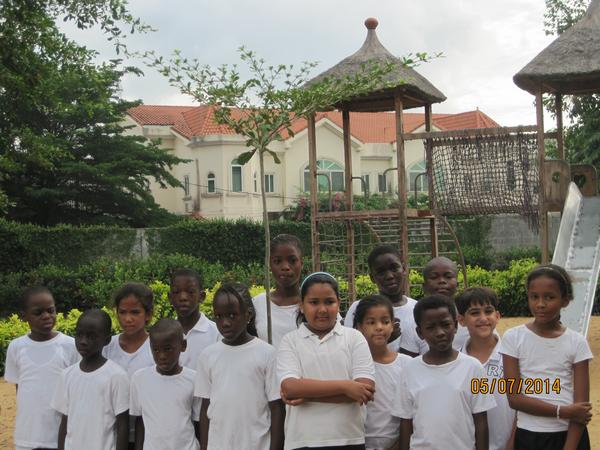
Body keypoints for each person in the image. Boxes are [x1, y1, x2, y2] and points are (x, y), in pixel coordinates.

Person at [278, 272, 375, 450]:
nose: (322, 309)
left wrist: (306, 393)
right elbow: (290, 388)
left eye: (329, 302)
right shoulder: (290, 341)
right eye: (314, 302)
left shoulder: (354, 338)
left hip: (349, 440)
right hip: (302, 441)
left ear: (338, 303)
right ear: (301, 305)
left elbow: (364, 391)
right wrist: (346, 387)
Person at [500, 264, 593, 450]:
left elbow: (581, 410)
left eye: (549, 297)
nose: (540, 304)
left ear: (565, 300)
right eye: (534, 297)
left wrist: (569, 447)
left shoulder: (577, 342)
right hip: (529, 436)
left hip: (569, 437)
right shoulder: (513, 338)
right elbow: (514, 398)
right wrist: (563, 411)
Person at [393, 295, 495, 450]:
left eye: (445, 324)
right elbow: (406, 422)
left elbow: (481, 422)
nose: (440, 332)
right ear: (420, 332)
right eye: (431, 327)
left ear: (455, 326)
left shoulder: (474, 368)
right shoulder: (409, 370)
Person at [195, 282, 284, 450]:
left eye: (232, 315)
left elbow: (276, 408)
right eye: (219, 316)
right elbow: (205, 408)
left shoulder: (267, 353)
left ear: (248, 315)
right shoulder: (207, 356)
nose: (225, 323)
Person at [4, 286, 79, 450]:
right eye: (38, 313)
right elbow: (20, 390)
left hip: (60, 437)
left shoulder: (70, 346)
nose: (47, 316)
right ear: (24, 317)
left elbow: (76, 390)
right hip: (26, 437)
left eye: (51, 310)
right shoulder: (16, 347)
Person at [51, 309, 129, 450]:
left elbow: (123, 425)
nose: (83, 341)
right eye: (79, 334)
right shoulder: (67, 375)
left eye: (91, 336)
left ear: (107, 340)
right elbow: (64, 422)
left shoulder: (117, 376)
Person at [456, 287, 516, 450]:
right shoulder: (455, 363)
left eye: (488, 311)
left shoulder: (513, 358)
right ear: (461, 320)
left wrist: (513, 443)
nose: (483, 318)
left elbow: (522, 405)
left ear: (497, 316)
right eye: (474, 313)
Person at [130, 318, 200, 450]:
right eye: (156, 350)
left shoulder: (193, 379)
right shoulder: (139, 379)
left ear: (183, 346)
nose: (162, 356)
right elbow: (140, 422)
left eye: (168, 349)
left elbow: (198, 421)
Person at [344, 245, 425, 356]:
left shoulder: (419, 309)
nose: (389, 276)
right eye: (381, 272)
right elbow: (348, 349)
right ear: (372, 278)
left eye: (394, 268)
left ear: (404, 269)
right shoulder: (359, 308)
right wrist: (384, 340)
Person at [354, 294, 412, 450]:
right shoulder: (351, 365)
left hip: (398, 443)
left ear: (393, 325)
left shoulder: (407, 364)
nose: (379, 327)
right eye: (371, 322)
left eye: (385, 321)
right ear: (359, 327)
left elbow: (412, 410)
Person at [103, 283, 155, 449]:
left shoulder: (157, 349)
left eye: (135, 312)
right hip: (111, 436)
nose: (128, 319)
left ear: (148, 315)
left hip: (147, 435)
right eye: (122, 312)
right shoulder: (106, 347)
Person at [252, 234, 304, 347]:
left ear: (301, 263)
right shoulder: (258, 303)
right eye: (277, 261)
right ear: (270, 265)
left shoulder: (313, 302)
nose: (285, 266)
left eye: (292, 260)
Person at [169, 268, 219, 369]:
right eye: (176, 292)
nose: (183, 297)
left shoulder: (216, 334)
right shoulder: (165, 334)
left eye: (190, 291)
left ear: (202, 296)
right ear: (170, 298)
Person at [421, 256, 468, 350]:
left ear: (457, 284)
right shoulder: (417, 318)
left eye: (448, 276)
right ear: (424, 286)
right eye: (434, 277)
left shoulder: (471, 318)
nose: (442, 281)